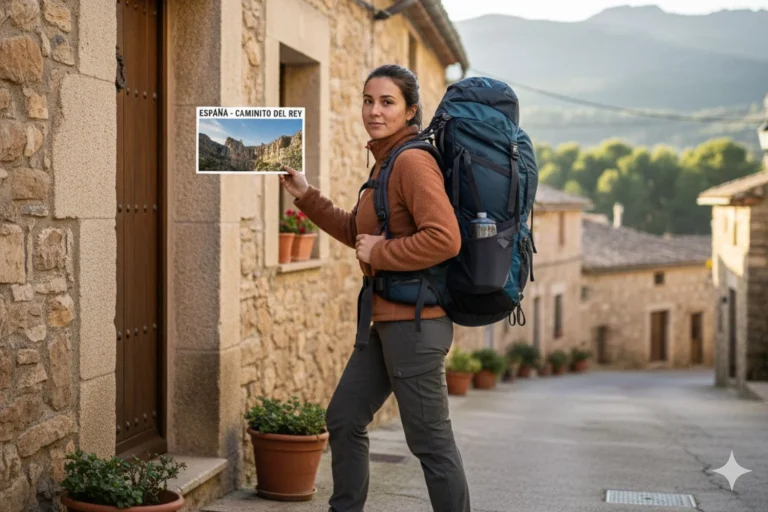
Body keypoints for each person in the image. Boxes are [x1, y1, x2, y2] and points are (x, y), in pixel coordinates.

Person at [280, 64, 470, 512]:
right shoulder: (386, 162)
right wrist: (306, 195)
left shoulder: (412, 161)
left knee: (431, 444)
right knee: (344, 418)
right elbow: (357, 232)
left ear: (410, 111)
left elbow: (445, 238)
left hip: (416, 326)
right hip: (384, 324)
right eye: (368, 100)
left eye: (387, 102)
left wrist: (381, 253)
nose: (374, 110)